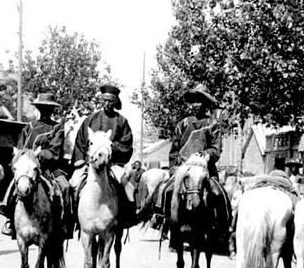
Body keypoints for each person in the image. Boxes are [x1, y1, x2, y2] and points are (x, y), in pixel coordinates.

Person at [154, 85, 231, 248]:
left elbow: (216, 149)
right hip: (183, 167)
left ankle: (223, 227)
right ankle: (163, 219)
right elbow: (174, 150)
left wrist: (206, 155)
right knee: (166, 190)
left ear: (205, 104)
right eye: (193, 101)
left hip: (205, 168)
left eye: (199, 101)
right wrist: (174, 167)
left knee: (218, 193)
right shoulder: (182, 124)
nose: (195, 105)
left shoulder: (213, 124)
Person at [0, 93, 72, 237]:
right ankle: (10, 220)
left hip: (49, 167)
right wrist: (22, 157)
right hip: (28, 165)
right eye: (43, 108)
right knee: (12, 187)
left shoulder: (58, 128)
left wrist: (40, 155)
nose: (46, 111)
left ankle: (65, 224)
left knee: (65, 187)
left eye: (49, 109)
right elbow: (21, 147)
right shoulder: (29, 127)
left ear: (53, 110)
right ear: (39, 108)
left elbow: (55, 150)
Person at [71, 84, 136, 226]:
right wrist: (82, 159)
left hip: (112, 164)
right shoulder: (90, 120)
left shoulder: (121, 121)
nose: (107, 104)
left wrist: (110, 151)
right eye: (104, 100)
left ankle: (126, 217)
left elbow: (126, 143)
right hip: (90, 164)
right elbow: (81, 142)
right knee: (73, 184)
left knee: (127, 187)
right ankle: (73, 218)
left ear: (115, 102)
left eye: (110, 101)